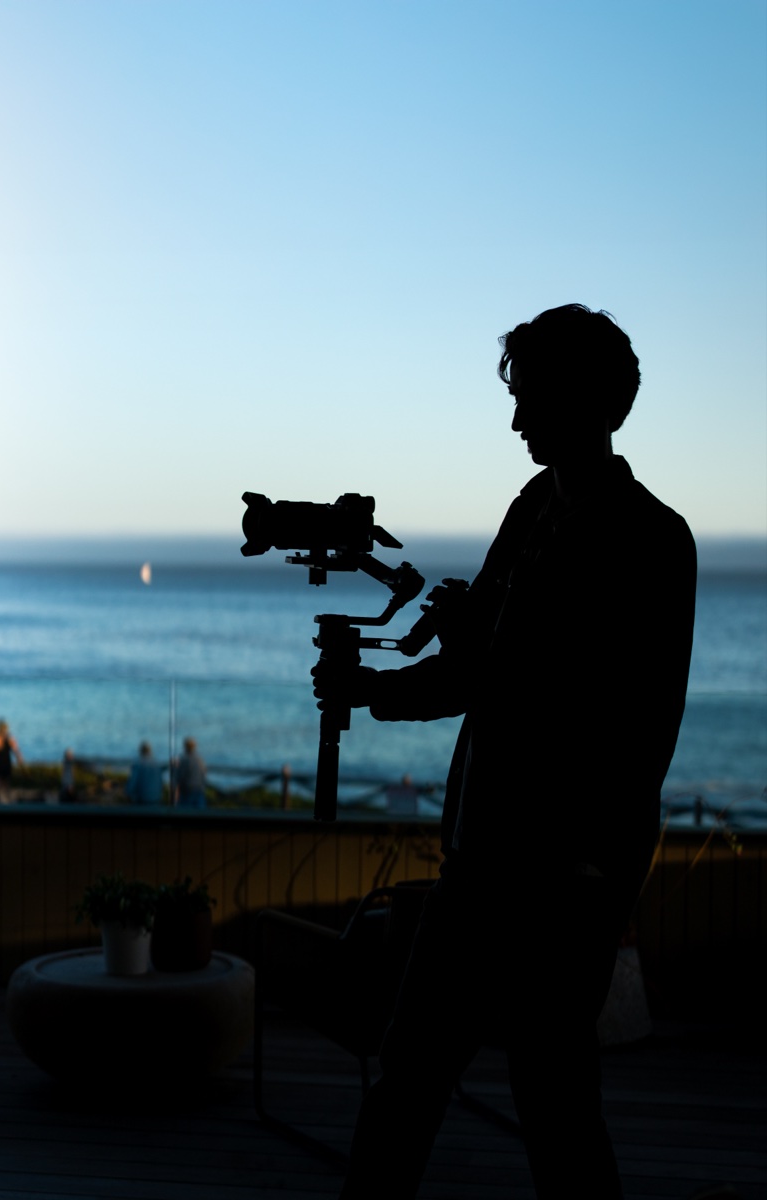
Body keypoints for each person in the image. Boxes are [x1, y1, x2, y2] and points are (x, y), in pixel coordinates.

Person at [312, 304, 697, 1199]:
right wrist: (374, 690)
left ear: (587, 402)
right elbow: (472, 668)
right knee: (412, 1073)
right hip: (482, 856)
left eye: (530, 399)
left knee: (552, 1097)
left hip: (566, 877)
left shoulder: (652, 537)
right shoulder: (532, 507)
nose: (517, 420)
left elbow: (640, 722)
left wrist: (598, 868)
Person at [174, 737, 207, 808]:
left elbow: (179, 777)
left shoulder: (183, 759)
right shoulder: (199, 759)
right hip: (199, 791)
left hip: (187, 793)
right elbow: (204, 774)